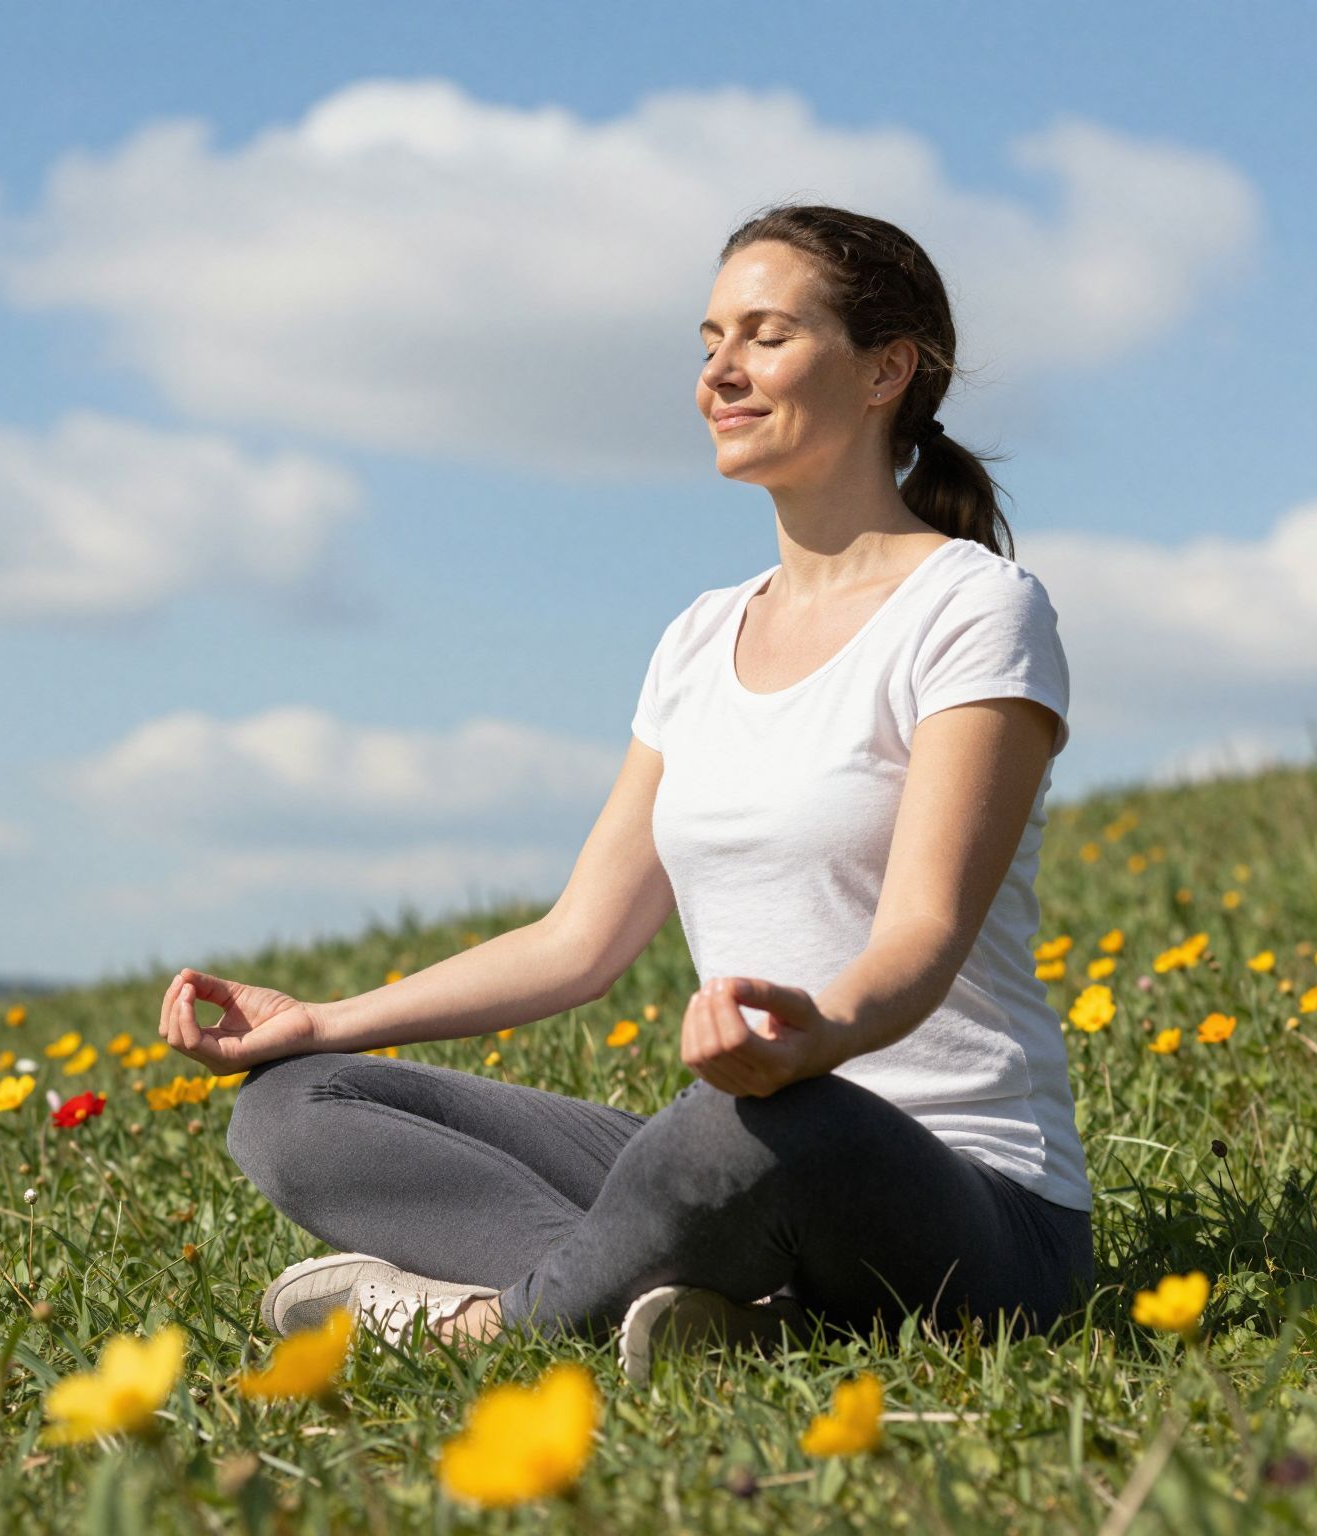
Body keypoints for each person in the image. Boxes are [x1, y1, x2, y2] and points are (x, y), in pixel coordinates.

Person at [158, 202, 1094, 1382]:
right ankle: (717, 1308)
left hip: (966, 1207)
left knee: (748, 1127)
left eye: (763, 336)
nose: (720, 373)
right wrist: (324, 1022)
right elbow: (578, 940)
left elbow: (922, 934)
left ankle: (485, 1327)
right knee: (295, 1107)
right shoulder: (698, 639)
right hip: (731, 1141)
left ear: (885, 370)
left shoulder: (974, 609)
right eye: (708, 341)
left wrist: (823, 1036)